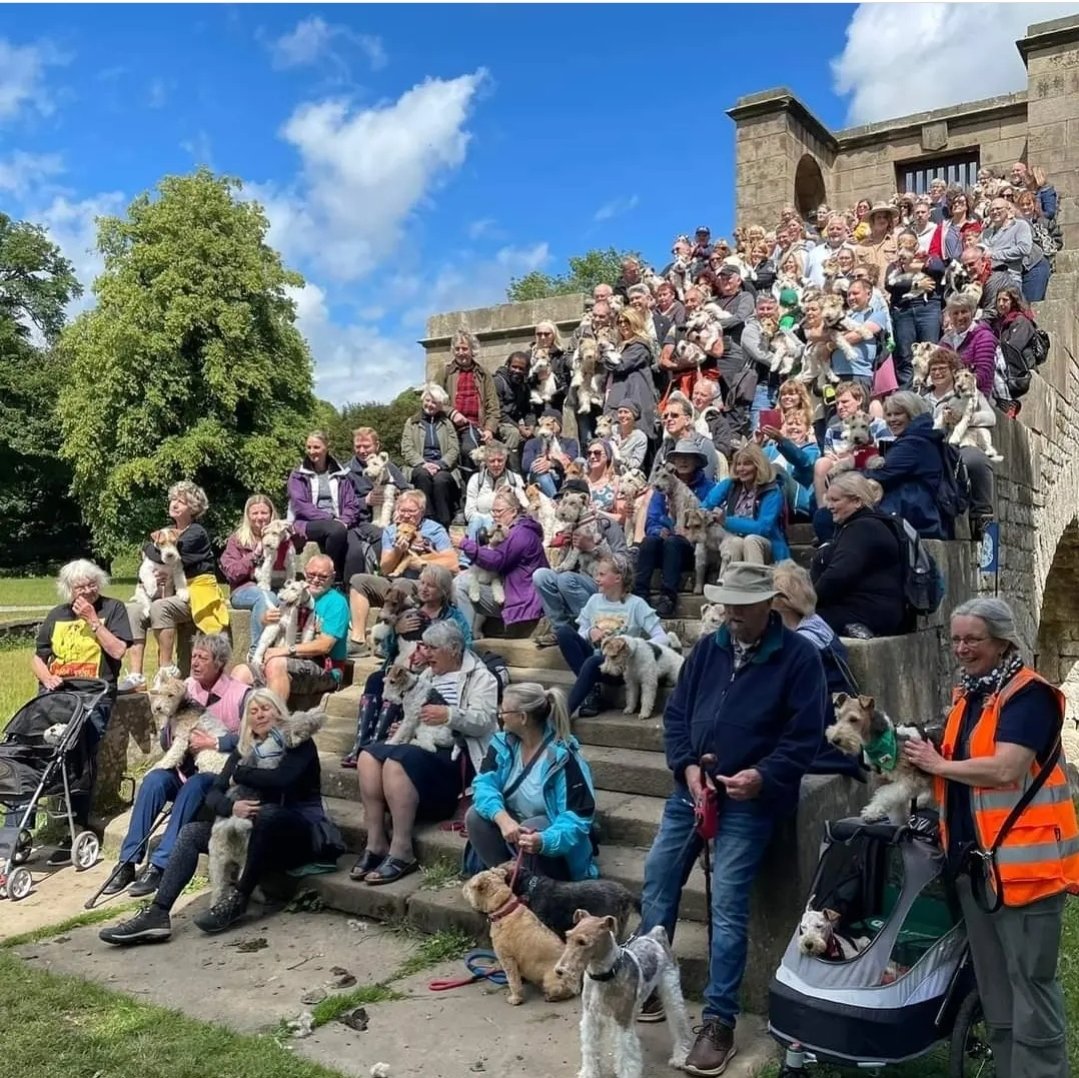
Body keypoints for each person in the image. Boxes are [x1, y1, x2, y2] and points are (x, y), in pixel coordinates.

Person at [636, 562, 827, 1072]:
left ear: (769, 604)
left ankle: (719, 1020)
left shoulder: (800, 658)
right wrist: (684, 768)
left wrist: (763, 776)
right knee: (657, 880)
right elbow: (677, 715)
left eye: (743, 607)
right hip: (693, 789)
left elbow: (804, 738)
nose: (732, 616)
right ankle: (650, 982)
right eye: (728, 606)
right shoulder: (709, 647)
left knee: (728, 905)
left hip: (749, 799)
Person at [904, 597, 1079, 1078]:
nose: (961, 648)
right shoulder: (972, 696)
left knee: (1032, 991)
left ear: (1002, 642)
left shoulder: (1029, 696)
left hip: (1026, 873)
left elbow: (1006, 767)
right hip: (976, 870)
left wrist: (939, 764)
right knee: (997, 996)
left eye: (973, 639)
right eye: (956, 639)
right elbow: (955, 765)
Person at [99, 688, 341, 943]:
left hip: (297, 835)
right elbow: (215, 793)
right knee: (191, 832)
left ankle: (238, 899)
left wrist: (241, 775)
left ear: (279, 711)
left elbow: (281, 780)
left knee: (267, 815)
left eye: (266, 708)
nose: (260, 715)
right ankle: (158, 913)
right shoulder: (244, 749)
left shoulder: (297, 741)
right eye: (253, 711)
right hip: (247, 836)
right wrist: (231, 808)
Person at [101, 633, 249, 896]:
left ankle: (160, 865)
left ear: (220, 662)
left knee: (195, 785)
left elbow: (251, 739)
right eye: (194, 656)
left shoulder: (240, 694)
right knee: (154, 780)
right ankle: (127, 861)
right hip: (185, 768)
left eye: (203, 658)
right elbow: (167, 742)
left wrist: (215, 742)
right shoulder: (182, 687)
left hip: (218, 776)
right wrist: (171, 729)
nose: (195, 663)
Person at [351, 621, 498, 885]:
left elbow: (485, 721)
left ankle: (402, 849)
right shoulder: (428, 675)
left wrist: (449, 714)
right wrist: (406, 723)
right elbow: (413, 710)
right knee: (368, 756)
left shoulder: (481, 677)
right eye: (424, 646)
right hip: (421, 741)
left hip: (456, 753)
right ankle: (375, 843)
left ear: (453, 650)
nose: (425, 653)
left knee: (397, 760)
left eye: (432, 648)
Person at [33, 559, 132, 865]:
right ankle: (20, 825)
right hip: (56, 696)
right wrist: (46, 677)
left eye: (92, 584)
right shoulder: (56, 615)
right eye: (80, 586)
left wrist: (93, 620)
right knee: (27, 744)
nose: (88, 590)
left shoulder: (112, 609)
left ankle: (76, 825)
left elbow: (118, 651)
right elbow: (38, 657)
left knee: (78, 748)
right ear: (68, 590)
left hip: (92, 696)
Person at [342, 564, 472, 769]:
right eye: (422, 583)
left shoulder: (454, 617)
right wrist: (396, 629)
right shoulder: (407, 611)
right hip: (399, 666)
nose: (424, 589)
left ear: (444, 591)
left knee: (402, 685)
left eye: (432, 586)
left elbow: (464, 648)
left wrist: (429, 658)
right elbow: (385, 649)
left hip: (428, 674)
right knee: (376, 679)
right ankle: (362, 745)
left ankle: (379, 742)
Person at [467, 683, 598, 881]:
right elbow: (484, 784)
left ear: (523, 717)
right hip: (513, 832)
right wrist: (502, 818)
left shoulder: (564, 757)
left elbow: (578, 818)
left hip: (550, 844)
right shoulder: (503, 744)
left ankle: (534, 888)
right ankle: (507, 880)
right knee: (475, 815)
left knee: (534, 825)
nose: (500, 715)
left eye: (504, 711)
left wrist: (544, 841)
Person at [121, 481, 223, 691]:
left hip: (196, 591)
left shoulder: (195, 533)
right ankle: (136, 675)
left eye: (182, 501)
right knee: (133, 610)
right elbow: (153, 551)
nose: (174, 504)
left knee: (161, 607)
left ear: (193, 508)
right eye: (173, 500)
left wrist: (149, 548)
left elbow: (164, 555)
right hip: (171, 589)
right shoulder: (171, 531)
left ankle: (167, 670)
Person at [771, 560, 864, 779]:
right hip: (838, 744)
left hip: (822, 749)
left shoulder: (801, 646)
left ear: (781, 603)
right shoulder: (818, 626)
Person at [560, 552, 670, 717]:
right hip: (596, 659)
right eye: (597, 574)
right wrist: (590, 632)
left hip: (621, 666)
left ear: (618, 579)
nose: (597, 578)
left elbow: (662, 638)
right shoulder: (594, 601)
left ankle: (560, 717)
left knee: (594, 661)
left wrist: (631, 646)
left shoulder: (636, 604)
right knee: (564, 632)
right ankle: (591, 691)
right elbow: (580, 634)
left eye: (602, 574)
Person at [347, 490, 455, 658]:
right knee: (358, 580)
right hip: (393, 582)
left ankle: (388, 639)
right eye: (402, 510)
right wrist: (398, 549)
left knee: (401, 585)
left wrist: (423, 563)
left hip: (420, 585)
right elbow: (385, 569)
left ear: (421, 511)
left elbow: (453, 563)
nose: (406, 515)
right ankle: (358, 640)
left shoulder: (435, 530)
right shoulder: (391, 530)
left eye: (411, 511)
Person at [232, 554, 350, 701]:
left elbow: (324, 646)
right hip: (288, 659)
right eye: (311, 574)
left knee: (276, 664)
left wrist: (284, 651)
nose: (315, 580)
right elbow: (275, 627)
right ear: (305, 572)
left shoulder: (336, 602)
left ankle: (274, 721)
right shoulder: (292, 596)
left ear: (332, 577)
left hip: (325, 669)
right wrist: (265, 619)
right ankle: (234, 721)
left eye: (322, 577)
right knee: (240, 672)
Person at [532, 478, 628, 648]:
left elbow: (622, 564)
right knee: (540, 576)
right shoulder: (570, 527)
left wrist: (592, 547)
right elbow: (564, 564)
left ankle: (593, 629)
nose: (565, 509)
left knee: (566, 579)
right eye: (563, 502)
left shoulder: (606, 524)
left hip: (600, 582)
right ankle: (561, 630)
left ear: (585, 502)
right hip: (574, 579)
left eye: (572, 504)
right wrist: (566, 547)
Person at [810, 473, 906, 638]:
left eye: (835, 500)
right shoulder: (862, 524)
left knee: (791, 621)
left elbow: (839, 574)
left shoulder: (863, 528)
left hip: (868, 612)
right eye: (829, 500)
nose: (829, 506)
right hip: (866, 607)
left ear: (857, 501)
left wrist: (806, 602)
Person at [634, 440, 716, 618]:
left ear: (697, 462)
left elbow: (711, 518)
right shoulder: (661, 487)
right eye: (679, 458)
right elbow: (652, 520)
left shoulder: (709, 488)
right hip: (665, 543)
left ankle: (668, 597)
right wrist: (658, 530)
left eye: (689, 458)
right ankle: (640, 594)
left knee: (673, 542)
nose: (683, 462)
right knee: (650, 541)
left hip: (692, 547)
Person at [922, 347, 996, 535]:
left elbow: (990, 418)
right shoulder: (922, 399)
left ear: (954, 372)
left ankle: (982, 521)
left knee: (977, 461)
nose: (937, 373)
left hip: (961, 444)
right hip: (933, 446)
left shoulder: (972, 395)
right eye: (934, 369)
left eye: (942, 369)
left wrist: (966, 417)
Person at [452, 489, 547, 635]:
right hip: (515, 596)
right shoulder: (516, 529)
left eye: (499, 511)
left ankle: (466, 636)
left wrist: (466, 545)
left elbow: (497, 560)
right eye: (493, 511)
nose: (495, 516)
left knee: (460, 585)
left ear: (513, 511)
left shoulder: (520, 534)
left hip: (523, 604)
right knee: (463, 579)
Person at [871, 392, 948, 540]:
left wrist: (849, 475)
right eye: (888, 414)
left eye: (898, 414)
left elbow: (883, 472)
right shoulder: (919, 436)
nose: (892, 419)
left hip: (917, 516)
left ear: (911, 414)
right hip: (914, 512)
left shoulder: (915, 441)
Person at [701, 442, 790, 567]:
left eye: (747, 464)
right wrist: (706, 513)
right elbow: (706, 505)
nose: (741, 469)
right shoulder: (731, 484)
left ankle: (755, 583)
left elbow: (763, 528)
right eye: (738, 464)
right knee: (733, 543)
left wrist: (727, 521)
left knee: (751, 540)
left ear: (758, 466)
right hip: (737, 539)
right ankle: (727, 583)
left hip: (766, 545)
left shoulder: (772, 491)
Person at [286, 431, 358, 583]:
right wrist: (331, 519)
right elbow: (300, 505)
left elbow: (351, 504)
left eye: (316, 447)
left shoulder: (341, 474)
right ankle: (332, 579)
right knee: (336, 530)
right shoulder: (298, 475)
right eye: (309, 447)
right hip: (307, 523)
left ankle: (349, 591)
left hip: (340, 523)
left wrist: (344, 520)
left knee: (355, 553)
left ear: (326, 447)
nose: (312, 451)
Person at [343, 427, 411, 582]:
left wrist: (398, 503)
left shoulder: (389, 467)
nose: (362, 450)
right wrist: (364, 501)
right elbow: (341, 503)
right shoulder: (347, 471)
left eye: (366, 446)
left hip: (392, 517)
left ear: (377, 446)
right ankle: (382, 575)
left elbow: (406, 490)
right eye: (358, 446)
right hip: (361, 520)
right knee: (383, 535)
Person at [812, 380, 889, 506]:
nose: (840, 407)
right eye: (837, 403)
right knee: (821, 463)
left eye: (845, 402)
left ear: (859, 400)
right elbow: (829, 458)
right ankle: (824, 509)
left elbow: (884, 455)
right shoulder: (833, 430)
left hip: (868, 474)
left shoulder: (878, 425)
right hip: (841, 476)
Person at [219, 494, 286, 641]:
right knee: (266, 597)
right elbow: (232, 573)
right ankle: (256, 651)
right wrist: (255, 555)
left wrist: (284, 530)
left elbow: (300, 538)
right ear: (248, 516)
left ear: (271, 515)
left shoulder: (282, 536)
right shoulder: (237, 539)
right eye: (255, 513)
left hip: (275, 586)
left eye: (264, 513)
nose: (260, 517)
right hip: (244, 590)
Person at [438, 327, 504, 468]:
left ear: (472, 350)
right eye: (457, 349)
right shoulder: (445, 372)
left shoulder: (483, 373)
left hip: (473, 426)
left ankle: (470, 487)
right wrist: (451, 412)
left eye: (464, 349)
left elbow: (493, 405)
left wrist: (489, 429)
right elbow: (432, 399)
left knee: (469, 451)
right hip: (448, 424)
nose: (460, 353)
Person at [885, 233, 944, 388]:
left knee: (930, 351)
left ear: (916, 243)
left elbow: (937, 270)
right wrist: (916, 285)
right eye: (900, 242)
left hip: (928, 308)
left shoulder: (929, 257)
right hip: (904, 311)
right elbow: (890, 285)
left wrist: (913, 266)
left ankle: (933, 390)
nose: (904, 244)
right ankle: (908, 391)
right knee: (906, 355)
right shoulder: (895, 265)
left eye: (908, 241)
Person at [400, 384, 461, 528]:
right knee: (422, 475)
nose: (430, 405)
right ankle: (427, 519)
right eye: (428, 400)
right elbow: (406, 448)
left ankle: (443, 522)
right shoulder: (411, 422)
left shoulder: (447, 424)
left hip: (443, 466)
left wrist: (440, 464)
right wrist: (422, 463)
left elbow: (454, 449)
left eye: (434, 402)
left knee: (441, 480)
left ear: (440, 405)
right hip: (420, 465)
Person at [604, 306, 659, 436]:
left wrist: (604, 356)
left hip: (633, 400)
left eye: (627, 321)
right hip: (617, 397)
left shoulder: (639, 346)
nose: (623, 325)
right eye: (620, 322)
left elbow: (620, 366)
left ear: (635, 322)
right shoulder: (620, 346)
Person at [760, 410, 820, 521]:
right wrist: (756, 443)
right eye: (790, 424)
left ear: (807, 430)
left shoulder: (812, 449)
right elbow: (751, 462)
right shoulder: (771, 449)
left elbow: (804, 462)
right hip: (770, 498)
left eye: (798, 424)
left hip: (797, 503)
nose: (793, 427)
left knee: (776, 469)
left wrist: (782, 441)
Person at [463, 440, 527, 541]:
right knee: (477, 519)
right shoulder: (476, 479)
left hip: (505, 525)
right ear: (486, 461)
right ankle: (468, 555)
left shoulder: (515, 479)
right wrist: (487, 516)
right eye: (492, 461)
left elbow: (524, 506)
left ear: (505, 460)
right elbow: (469, 513)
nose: (496, 464)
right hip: (478, 523)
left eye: (500, 460)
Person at [834, 277, 891, 392]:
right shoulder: (843, 316)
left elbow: (857, 336)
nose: (851, 298)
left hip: (858, 375)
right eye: (848, 295)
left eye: (855, 293)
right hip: (835, 375)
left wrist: (832, 342)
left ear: (868, 294)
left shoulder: (877, 315)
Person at [650, 393, 720, 482]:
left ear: (687, 420)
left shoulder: (703, 445)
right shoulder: (664, 448)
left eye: (674, 415)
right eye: (665, 416)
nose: (669, 419)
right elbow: (652, 481)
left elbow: (706, 482)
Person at [940, 293, 996, 399]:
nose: (960, 317)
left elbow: (982, 374)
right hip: (950, 393)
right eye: (955, 313)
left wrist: (956, 387)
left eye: (964, 312)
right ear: (950, 316)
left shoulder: (984, 337)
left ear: (972, 313)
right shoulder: (946, 339)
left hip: (976, 396)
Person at [521, 407, 580, 499]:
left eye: (554, 421)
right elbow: (525, 464)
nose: (551, 425)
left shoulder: (570, 442)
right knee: (540, 472)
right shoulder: (532, 443)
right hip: (538, 479)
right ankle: (556, 500)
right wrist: (540, 463)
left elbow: (571, 459)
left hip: (560, 476)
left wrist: (551, 464)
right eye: (546, 422)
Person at [1013, 189, 1057, 302]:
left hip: (1039, 260)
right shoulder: (1015, 224)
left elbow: (1057, 238)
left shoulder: (1044, 221)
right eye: (1022, 205)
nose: (1025, 207)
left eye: (1028, 204)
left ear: (1034, 205)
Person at [981, 198, 1033, 290]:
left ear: (1007, 210)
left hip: (1010, 278)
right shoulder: (986, 233)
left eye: (998, 208)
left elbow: (1024, 249)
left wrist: (994, 254)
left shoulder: (1020, 225)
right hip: (988, 279)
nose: (995, 212)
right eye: (992, 210)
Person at [610, 402, 649, 475]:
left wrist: (622, 460)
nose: (622, 415)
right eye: (620, 412)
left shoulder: (640, 437)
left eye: (626, 412)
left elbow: (637, 462)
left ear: (634, 415)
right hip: (609, 471)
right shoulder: (612, 429)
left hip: (629, 474)